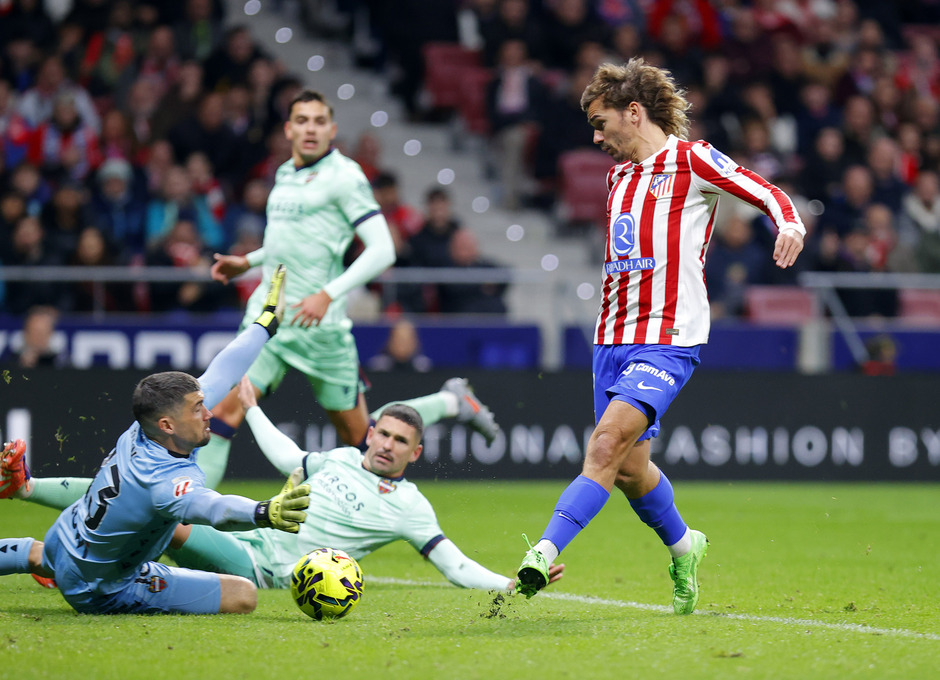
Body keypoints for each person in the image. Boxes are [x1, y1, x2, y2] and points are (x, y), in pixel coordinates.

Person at [514, 59, 805, 613]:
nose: (596, 137)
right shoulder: (618, 177)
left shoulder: (692, 160)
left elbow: (765, 191)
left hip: (669, 337)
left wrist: (789, 224)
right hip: (611, 338)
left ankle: (542, 551)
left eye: (602, 124)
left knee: (601, 446)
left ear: (634, 111)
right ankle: (683, 546)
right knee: (626, 468)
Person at [3, 378, 564, 594]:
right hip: (248, 535)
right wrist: (250, 409)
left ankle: (70, 557)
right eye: (383, 433)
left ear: (415, 454)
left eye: (400, 441)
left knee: (165, 518)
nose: (387, 444)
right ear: (371, 434)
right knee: (145, 504)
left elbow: (454, 565)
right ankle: (42, 515)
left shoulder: (412, 508)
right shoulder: (342, 458)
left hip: (264, 567)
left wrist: (510, 585)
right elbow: (286, 455)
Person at [206, 90, 499, 491]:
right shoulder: (285, 173)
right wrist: (251, 261)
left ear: (332, 130)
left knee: (361, 440)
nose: (310, 128)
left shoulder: (345, 177)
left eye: (319, 121)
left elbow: (383, 250)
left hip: (320, 329)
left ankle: (451, 402)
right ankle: (186, 520)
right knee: (224, 410)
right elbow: (290, 241)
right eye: (302, 120)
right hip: (270, 319)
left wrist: (327, 294)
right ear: (289, 129)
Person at [0, 266, 314, 615]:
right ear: (168, 424)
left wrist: (266, 324)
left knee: (61, 551)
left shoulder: (143, 427)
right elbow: (213, 509)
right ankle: (61, 568)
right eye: (199, 410)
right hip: (100, 589)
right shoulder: (165, 481)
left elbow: (222, 372)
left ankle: (34, 555)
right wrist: (263, 512)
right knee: (243, 595)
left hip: (63, 541)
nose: (209, 414)